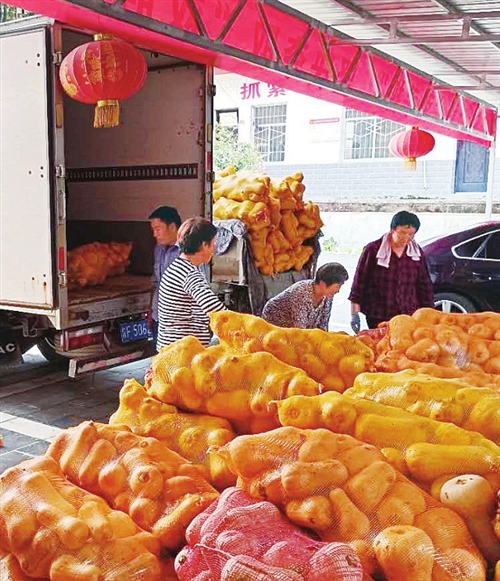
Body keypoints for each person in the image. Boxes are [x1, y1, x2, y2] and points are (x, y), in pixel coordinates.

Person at [349, 210, 434, 333]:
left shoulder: (417, 253)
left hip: (408, 314)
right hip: (378, 314)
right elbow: (360, 282)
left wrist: (428, 313)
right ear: (392, 230)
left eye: (411, 234)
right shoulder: (373, 250)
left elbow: (424, 285)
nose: (406, 238)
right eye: (402, 233)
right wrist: (354, 313)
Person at [157, 217, 227, 349]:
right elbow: (217, 312)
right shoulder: (189, 274)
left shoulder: (177, 267)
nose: (214, 249)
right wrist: (248, 326)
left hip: (171, 350)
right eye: (212, 244)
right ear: (203, 245)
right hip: (181, 355)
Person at [261, 262, 349, 330]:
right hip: (275, 325)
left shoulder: (328, 295)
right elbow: (299, 330)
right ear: (323, 283)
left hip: (299, 329)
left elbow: (323, 326)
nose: (338, 291)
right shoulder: (301, 293)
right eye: (338, 286)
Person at [148, 206, 182, 345]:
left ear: (172, 227)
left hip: (178, 323)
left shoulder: (187, 253)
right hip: (159, 318)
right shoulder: (158, 249)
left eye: (157, 229)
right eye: (153, 230)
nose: (154, 235)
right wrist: (151, 311)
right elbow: (156, 283)